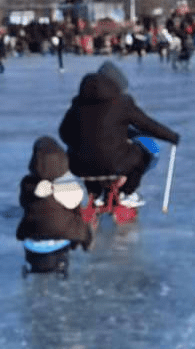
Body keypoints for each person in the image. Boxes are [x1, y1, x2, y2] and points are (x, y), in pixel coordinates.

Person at [58, 61, 179, 209]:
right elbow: (147, 125)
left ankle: (95, 194)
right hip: (114, 164)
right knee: (148, 152)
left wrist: (81, 142)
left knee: (90, 156)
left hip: (79, 166)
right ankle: (127, 192)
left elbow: (63, 132)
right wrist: (171, 136)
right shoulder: (123, 103)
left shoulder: (78, 103)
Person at [16, 136, 94, 276]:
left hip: (33, 230)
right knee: (79, 223)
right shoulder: (67, 185)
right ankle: (84, 246)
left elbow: (24, 203)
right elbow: (76, 209)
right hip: (61, 232)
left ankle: (34, 264)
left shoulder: (27, 183)